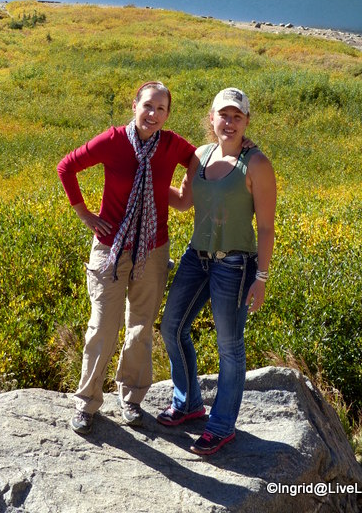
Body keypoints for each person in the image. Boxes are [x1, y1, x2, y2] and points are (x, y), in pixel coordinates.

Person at [57, 81, 195, 435]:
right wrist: (84, 213)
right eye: (148, 105)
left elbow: (200, 160)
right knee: (103, 326)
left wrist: (183, 195)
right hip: (111, 248)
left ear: (168, 114)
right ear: (134, 106)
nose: (153, 114)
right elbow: (66, 167)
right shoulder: (113, 140)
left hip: (153, 248)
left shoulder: (172, 145)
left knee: (140, 328)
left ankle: (131, 399)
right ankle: (87, 402)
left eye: (161, 109)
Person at [158, 87, 276, 456]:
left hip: (235, 264)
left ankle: (222, 425)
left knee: (229, 345)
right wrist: (149, 180)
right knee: (171, 327)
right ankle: (189, 403)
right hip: (197, 257)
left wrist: (261, 278)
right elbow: (183, 202)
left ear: (246, 121)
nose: (229, 122)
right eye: (223, 115)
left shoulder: (256, 164)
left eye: (237, 116)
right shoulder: (200, 155)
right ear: (212, 118)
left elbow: (267, 228)